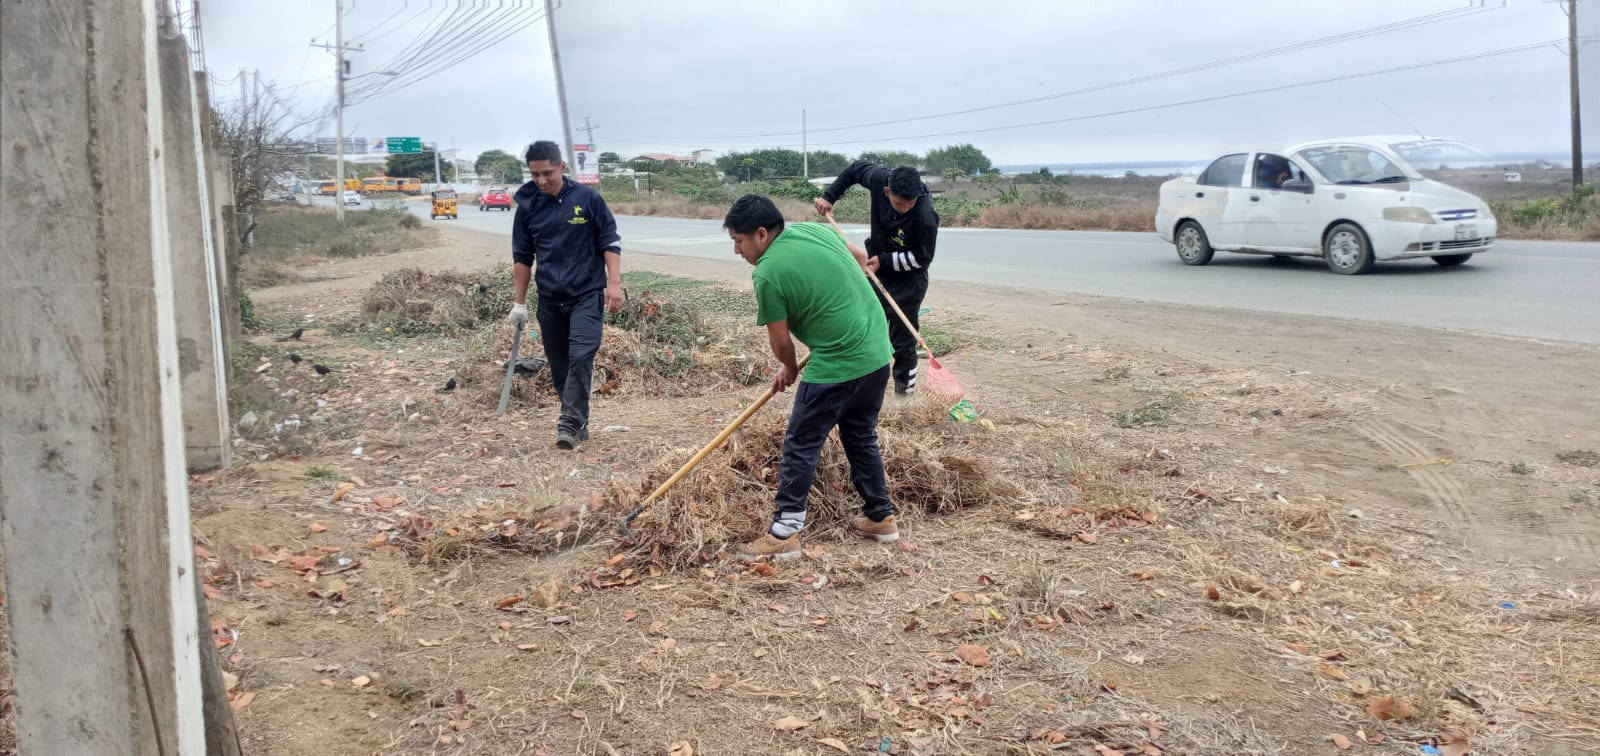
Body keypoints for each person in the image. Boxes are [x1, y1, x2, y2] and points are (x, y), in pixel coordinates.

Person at [722, 195, 901, 560]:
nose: (737, 250)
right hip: (877, 351)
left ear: (761, 234)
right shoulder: (813, 231)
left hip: (838, 364)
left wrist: (789, 367)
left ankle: (784, 533)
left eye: (738, 241)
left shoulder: (767, 273)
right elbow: (861, 260)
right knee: (860, 434)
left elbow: (780, 342)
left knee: (801, 443)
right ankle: (880, 517)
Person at [508, 140, 623, 449]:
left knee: (581, 356)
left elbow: (610, 242)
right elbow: (522, 258)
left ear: (562, 167)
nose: (541, 180)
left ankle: (569, 423)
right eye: (535, 175)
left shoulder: (588, 199)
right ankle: (578, 421)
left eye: (547, 173)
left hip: (586, 293)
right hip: (549, 299)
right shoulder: (528, 206)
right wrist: (519, 303)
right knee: (559, 365)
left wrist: (614, 283)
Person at [813, 161, 939, 396]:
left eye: (911, 203)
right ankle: (857, 385)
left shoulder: (925, 216)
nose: (906, 209)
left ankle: (904, 395)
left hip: (909, 282)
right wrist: (830, 197)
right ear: (887, 192)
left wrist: (885, 260)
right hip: (876, 273)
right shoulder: (879, 178)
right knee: (862, 326)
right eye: (900, 204)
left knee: (903, 340)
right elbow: (854, 170)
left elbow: (923, 258)